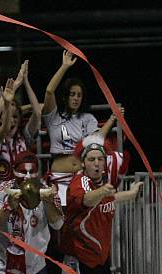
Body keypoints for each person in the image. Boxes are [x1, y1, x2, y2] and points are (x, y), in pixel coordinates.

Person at [60, 142, 142, 274]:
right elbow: (87, 199)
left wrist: (131, 194)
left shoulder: (101, 184)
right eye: (91, 159)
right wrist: (103, 190)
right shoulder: (80, 182)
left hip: (101, 259)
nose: (96, 163)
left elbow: (110, 198)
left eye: (100, 159)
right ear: (83, 163)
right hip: (81, 260)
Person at [42, 50, 121, 206]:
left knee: (78, 221)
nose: (76, 98)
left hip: (81, 177)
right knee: (58, 223)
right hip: (59, 177)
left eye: (79, 95)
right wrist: (64, 67)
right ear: (65, 96)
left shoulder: (88, 118)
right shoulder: (53, 117)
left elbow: (96, 140)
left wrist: (113, 118)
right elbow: (49, 91)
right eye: (72, 94)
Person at [0, 151, 63, 274]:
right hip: (4, 270)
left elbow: (58, 224)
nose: (28, 177)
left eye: (32, 171)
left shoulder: (48, 191)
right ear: (13, 171)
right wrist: (8, 207)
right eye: (23, 172)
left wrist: (49, 204)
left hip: (36, 271)